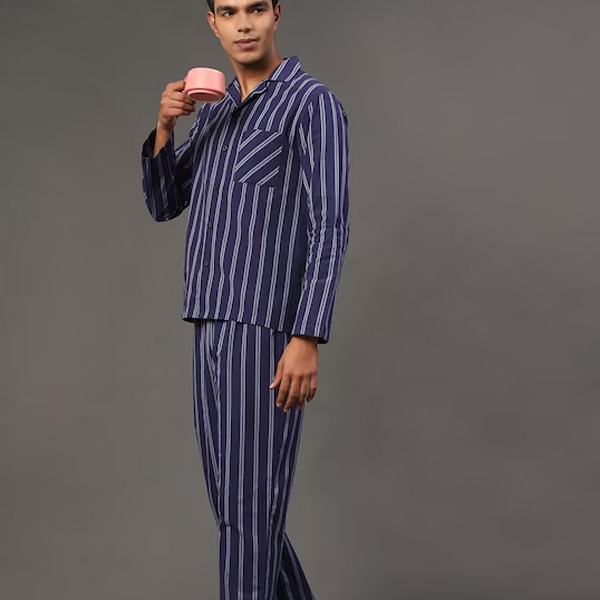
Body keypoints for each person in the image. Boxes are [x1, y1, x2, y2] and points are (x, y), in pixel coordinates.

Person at [140, 0, 349, 598]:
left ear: (277, 13)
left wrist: (306, 335)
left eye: (256, 8)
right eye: (229, 11)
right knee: (239, 512)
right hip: (208, 323)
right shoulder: (214, 110)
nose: (245, 23)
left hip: (265, 331)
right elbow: (163, 203)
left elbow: (330, 225)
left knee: (248, 514)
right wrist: (164, 127)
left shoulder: (311, 104)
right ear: (213, 23)